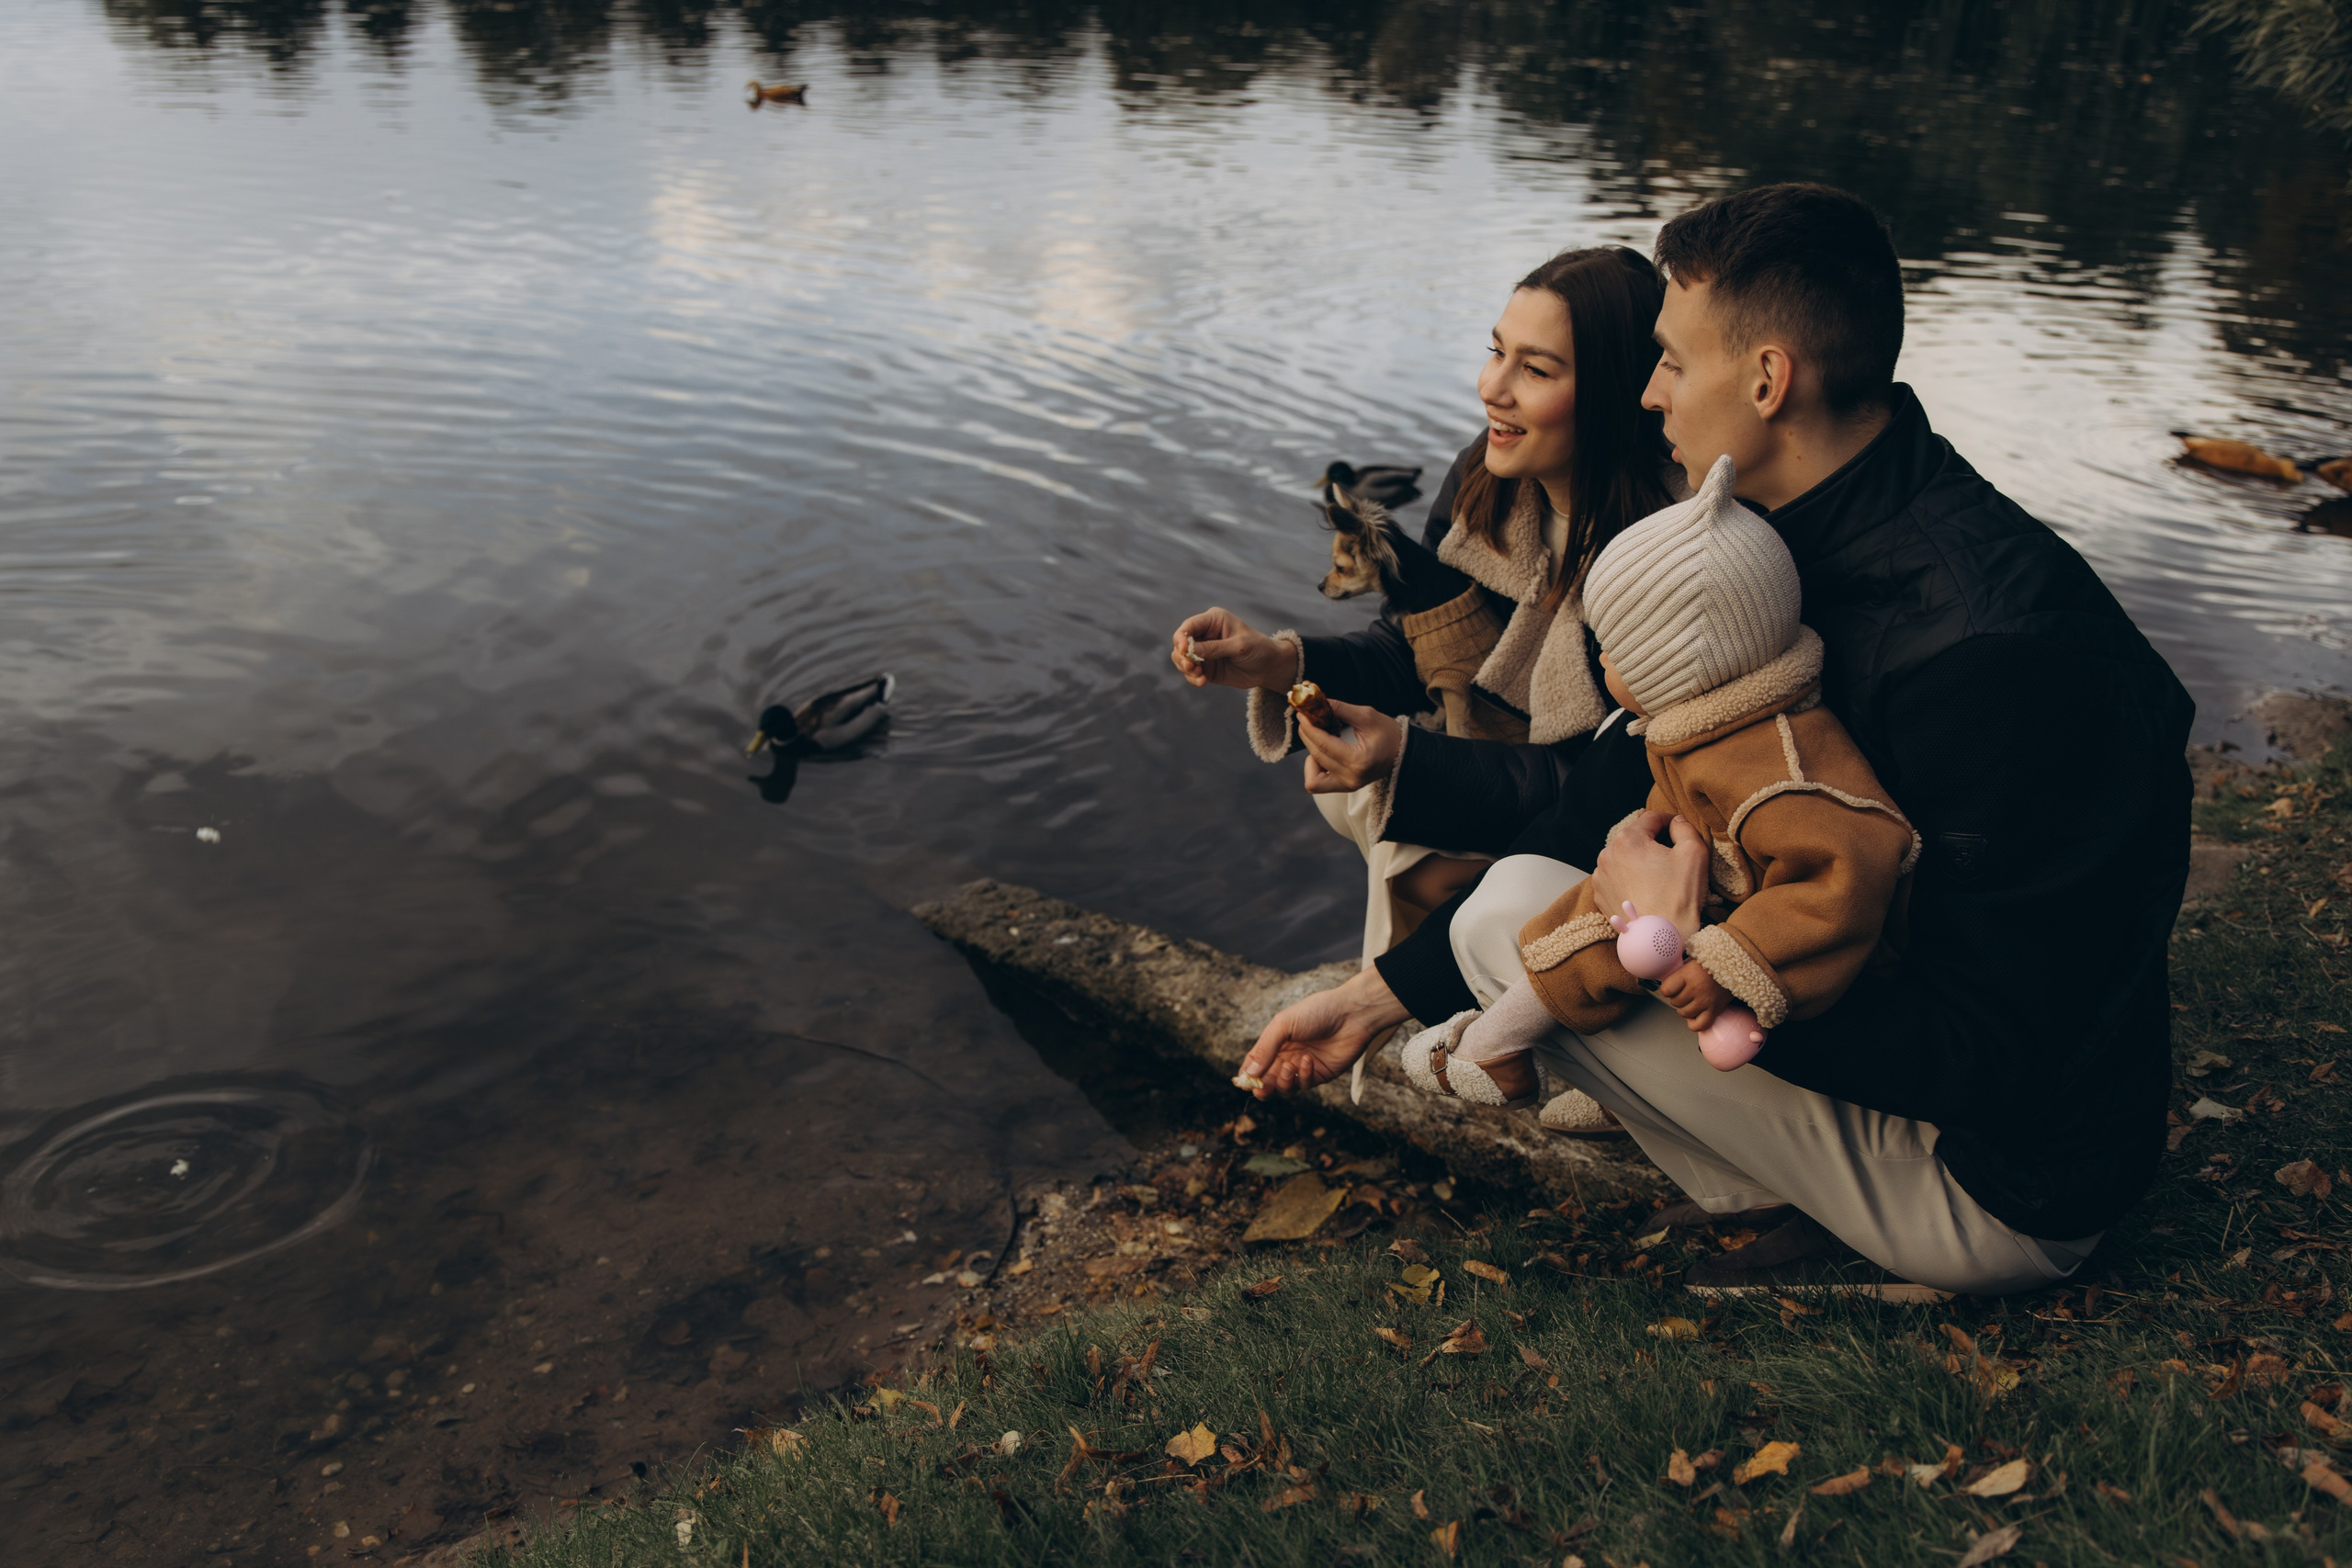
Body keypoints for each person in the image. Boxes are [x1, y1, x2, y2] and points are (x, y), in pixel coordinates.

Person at [1236, 183, 2194, 1296]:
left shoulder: (1995, 652)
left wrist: (1687, 946)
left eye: (1671, 362)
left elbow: (1999, 1049)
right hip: (1914, 1082)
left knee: (1519, 919)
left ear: (1768, 378)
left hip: (2007, 1189)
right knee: (1533, 890)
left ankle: (1870, 1228)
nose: (1647, 395)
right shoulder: (1754, 559)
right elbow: (1590, 792)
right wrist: (1370, 999)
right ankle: (1804, 1190)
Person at [1170, 247, 1680, 1008]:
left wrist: (1411, 756)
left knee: (1404, 837)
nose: (1491, 389)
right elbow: (1412, 645)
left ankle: (1397, 999)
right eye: (1496, 352)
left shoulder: (1659, 553)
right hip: (1507, 763)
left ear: (1611, 393)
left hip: (1608, 837)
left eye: (1536, 370)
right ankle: (1407, 994)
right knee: (1354, 794)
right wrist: (1276, 662)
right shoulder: (1489, 477)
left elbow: (1600, 793)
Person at [1398, 454, 1916, 1114]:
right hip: (1707, 904)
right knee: (1587, 918)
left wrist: (1730, 962)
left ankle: (1504, 1050)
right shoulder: (1709, 726)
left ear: (1676, 669)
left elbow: (1842, 884)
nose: (1602, 659)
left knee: (1602, 927)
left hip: (1762, 951)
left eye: (1613, 650)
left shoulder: (1781, 774)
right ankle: (1576, 1070)